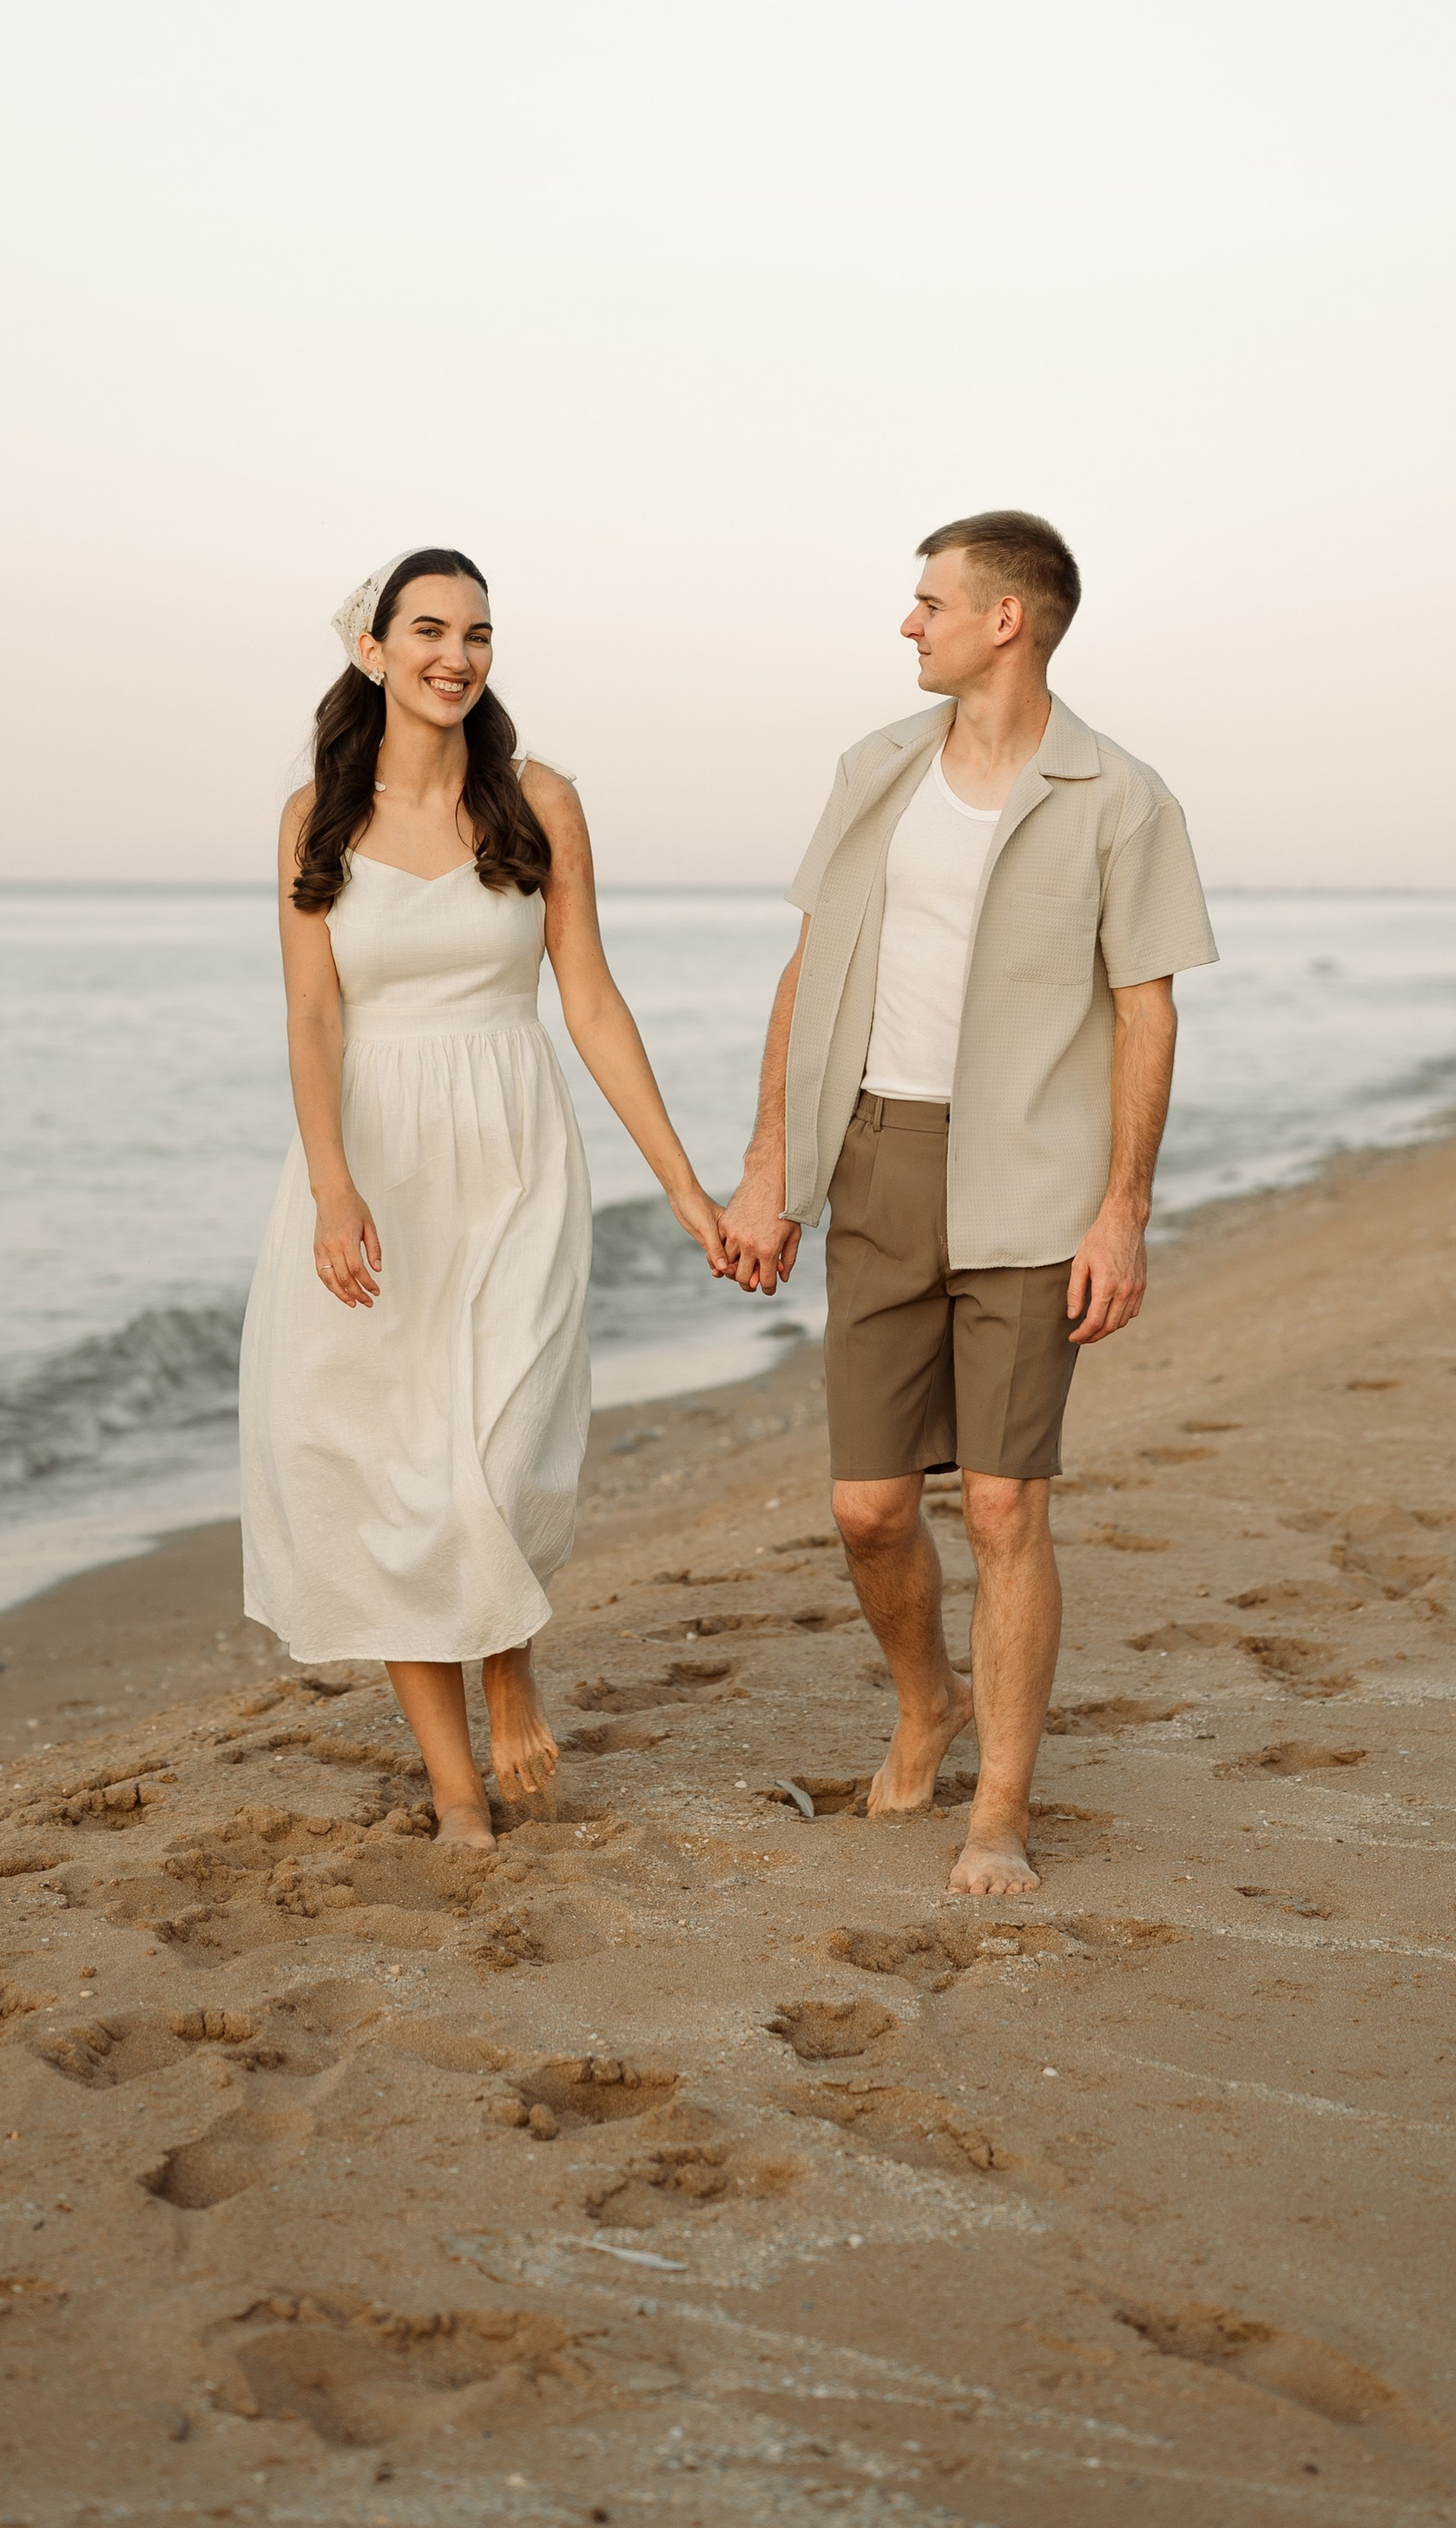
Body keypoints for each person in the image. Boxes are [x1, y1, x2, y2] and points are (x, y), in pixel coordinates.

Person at [720, 511, 1217, 1897]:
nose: (908, 623)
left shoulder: (1120, 796)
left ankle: (997, 1807)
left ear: (1008, 619)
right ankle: (924, 1697)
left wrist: (1124, 1210)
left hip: (1034, 1181)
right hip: (878, 1157)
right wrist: (771, 1167)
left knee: (1003, 1504)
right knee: (871, 1509)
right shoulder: (875, 770)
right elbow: (812, 969)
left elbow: (1147, 1008)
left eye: (929, 601)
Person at [238, 546, 729, 1848]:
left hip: (513, 1150)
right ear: (375, 651)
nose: (457, 656)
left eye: (479, 633)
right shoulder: (314, 817)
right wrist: (335, 1191)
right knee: (397, 1473)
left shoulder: (538, 800)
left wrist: (683, 1185)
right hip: (374, 1163)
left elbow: (593, 1001)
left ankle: (508, 1654)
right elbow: (308, 1014)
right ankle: (457, 1792)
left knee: (501, 1450)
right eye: (430, 631)